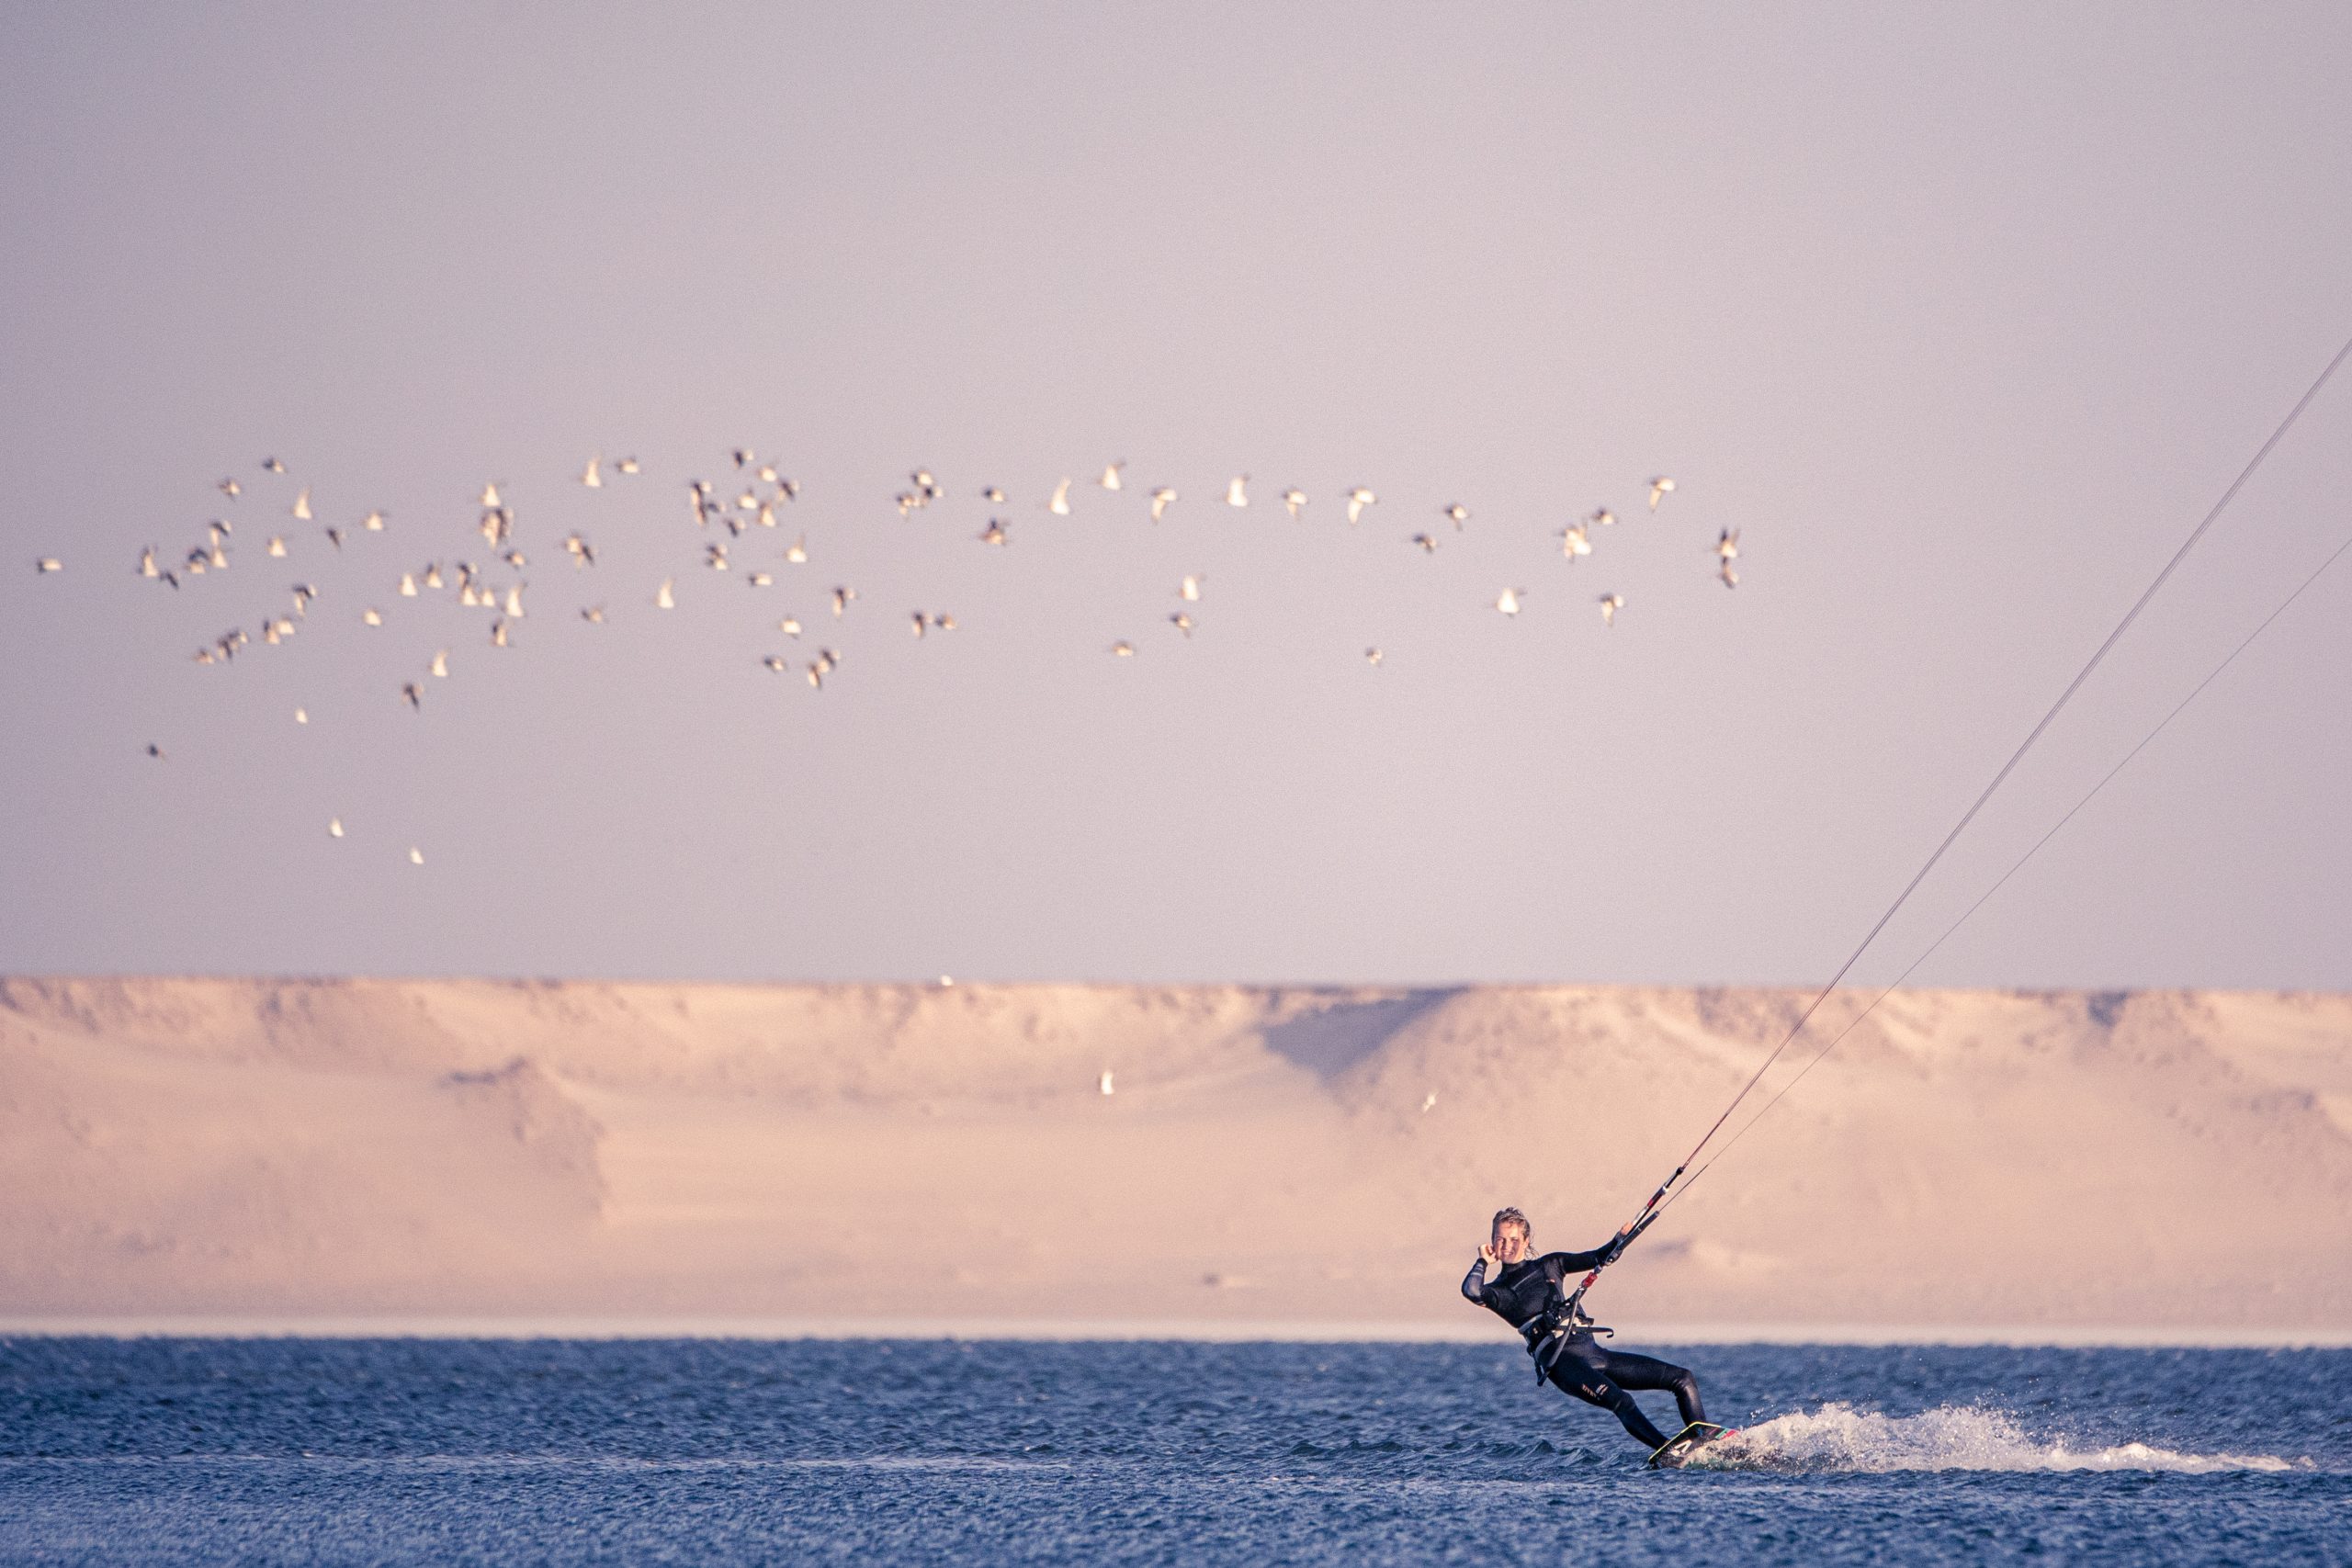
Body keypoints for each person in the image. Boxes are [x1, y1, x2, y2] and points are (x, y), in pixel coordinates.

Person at [1461, 1205, 1707, 1452]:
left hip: (1594, 1353)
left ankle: (1705, 1441)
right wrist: (1482, 1260)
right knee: (1621, 1401)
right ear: (1492, 1242)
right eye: (1500, 1239)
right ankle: (1669, 1452)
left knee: (1683, 1378)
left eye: (1514, 1239)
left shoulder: (1550, 1264)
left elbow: (1598, 1256)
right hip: (1563, 1364)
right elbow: (1470, 1290)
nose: (1508, 1245)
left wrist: (1619, 1240)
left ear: (1526, 1241)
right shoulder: (1497, 1292)